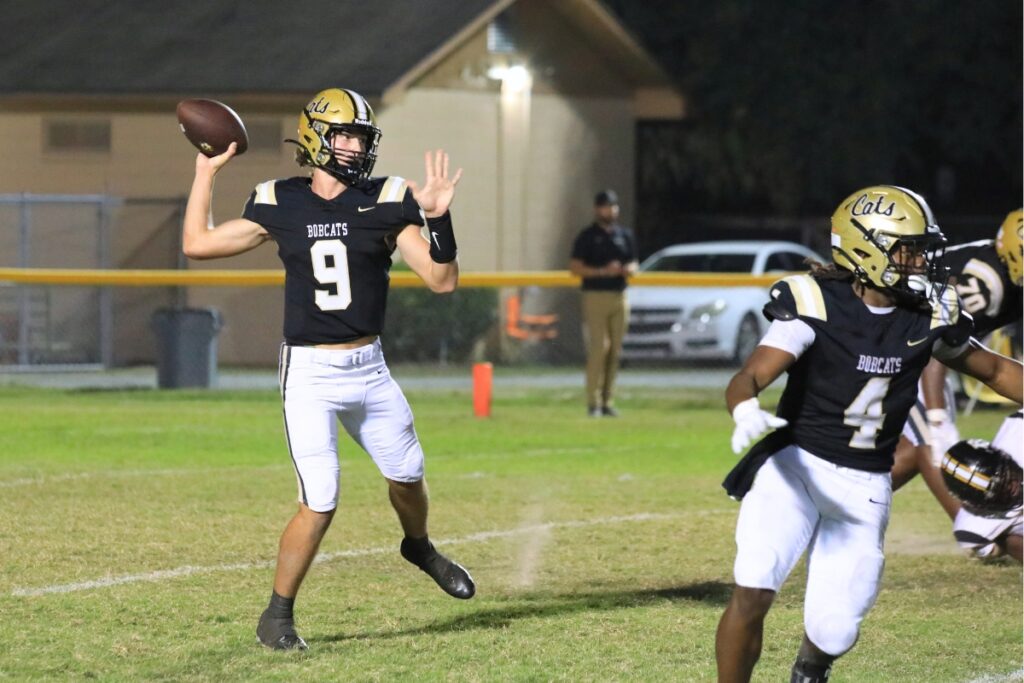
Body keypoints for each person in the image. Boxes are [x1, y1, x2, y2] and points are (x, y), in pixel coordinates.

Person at [181, 87, 475, 651]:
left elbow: (442, 280)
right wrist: (205, 172)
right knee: (320, 500)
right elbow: (197, 243)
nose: (356, 147)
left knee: (408, 477)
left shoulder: (387, 197)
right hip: (311, 374)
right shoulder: (278, 200)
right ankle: (277, 616)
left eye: (362, 138)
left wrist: (438, 220)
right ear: (316, 136)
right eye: (346, 136)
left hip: (370, 367)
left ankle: (419, 546)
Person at [716, 186, 1023, 683]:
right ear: (867, 248)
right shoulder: (814, 301)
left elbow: (992, 369)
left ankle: (808, 672)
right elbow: (752, 373)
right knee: (754, 584)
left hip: (865, 482)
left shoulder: (928, 312)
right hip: (795, 466)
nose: (922, 261)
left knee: (836, 630)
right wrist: (744, 406)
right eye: (910, 249)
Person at [891, 208, 1023, 519]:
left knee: (914, 451)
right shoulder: (986, 281)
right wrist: (937, 416)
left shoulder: (1000, 273)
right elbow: (939, 335)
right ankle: (975, 531)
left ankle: (835, 505)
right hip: (905, 350)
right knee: (931, 440)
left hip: (913, 348)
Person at [568, 189, 638, 417]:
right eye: (606, 206)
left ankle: (608, 401)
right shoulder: (587, 236)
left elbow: (634, 262)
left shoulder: (624, 235)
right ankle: (593, 402)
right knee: (599, 349)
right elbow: (575, 267)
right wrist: (601, 271)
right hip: (596, 295)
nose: (611, 210)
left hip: (620, 296)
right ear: (598, 209)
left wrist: (628, 269)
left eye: (614, 206)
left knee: (614, 351)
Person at [939, 410, 1023, 563]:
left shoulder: (1018, 432)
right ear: (978, 505)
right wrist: (1004, 545)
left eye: (1008, 476)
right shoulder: (974, 528)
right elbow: (996, 548)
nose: (1013, 487)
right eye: (1000, 491)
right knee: (1010, 541)